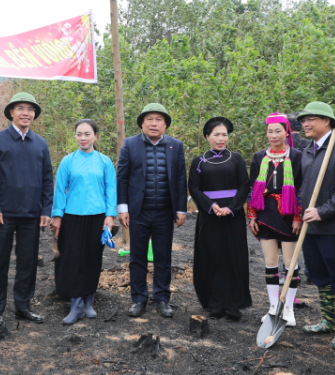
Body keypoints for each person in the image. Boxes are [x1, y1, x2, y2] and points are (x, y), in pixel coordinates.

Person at [0, 93, 53, 326]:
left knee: (28, 262)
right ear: (11, 112)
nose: (26, 113)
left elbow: (47, 179)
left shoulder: (40, 143)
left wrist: (46, 209)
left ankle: (23, 305)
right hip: (4, 213)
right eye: (21, 108)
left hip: (32, 213)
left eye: (31, 109)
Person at [296, 102, 335, 350]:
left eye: (311, 119)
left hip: (333, 227)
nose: (305, 124)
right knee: (319, 277)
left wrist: (322, 212)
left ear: (327, 121)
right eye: (303, 120)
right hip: (310, 228)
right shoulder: (308, 151)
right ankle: (328, 322)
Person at [117, 103, 187, 319]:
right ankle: (138, 299)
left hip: (165, 213)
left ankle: (162, 298)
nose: (154, 123)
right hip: (138, 212)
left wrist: (181, 209)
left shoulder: (176, 146)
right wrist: (123, 208)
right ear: (142, 123)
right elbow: (122, 177)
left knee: (163, 257)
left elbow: (180, 179)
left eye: (159, 119)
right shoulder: (130, 144)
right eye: (150, 119)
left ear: (165, 124)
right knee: (137, 257)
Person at [50, 119, 117, 325]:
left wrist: (109, 215)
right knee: (72, 259)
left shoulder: (104, 162)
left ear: (95, 136)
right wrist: (57, 216)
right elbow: (60, 191)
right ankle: (76, 303)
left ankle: (89, 300)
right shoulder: (68, 161)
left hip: (97, 217)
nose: (83, 138)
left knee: (92, 258)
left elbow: (111, 190)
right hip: (72, 217)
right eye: (79, 134)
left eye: (87, 134)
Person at [188, 117, 251, 321]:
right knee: (212, 257)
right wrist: (212, 206)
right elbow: (194, 188)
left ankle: (233, 305)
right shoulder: (199, 161)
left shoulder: (237, 158)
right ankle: (214, 303)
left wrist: (231, 208)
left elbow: (244, 186)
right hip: (210, 216)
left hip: (233, 216)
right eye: (216, 134)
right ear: (207, 137)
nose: (221, 138)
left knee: (234, 257)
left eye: (224, 134)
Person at [247, 113, 303, 325]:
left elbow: (300, 188)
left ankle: (288, 308)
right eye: (270, 131)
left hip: (289, 213)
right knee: (270, 262)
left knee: (290, 263)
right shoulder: (259, 156)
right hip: (265, 211)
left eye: (278, 131)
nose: (273, 135)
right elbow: (253, 188)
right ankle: (273, 306)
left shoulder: (297, 156)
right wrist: (251, 215)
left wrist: (298, 217)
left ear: (286, 132)